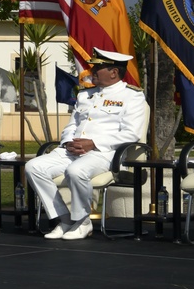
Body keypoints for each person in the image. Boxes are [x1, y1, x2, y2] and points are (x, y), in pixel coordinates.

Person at [26, 48, 147, 241]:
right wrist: (67, 143)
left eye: (98, 68)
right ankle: (64, 219)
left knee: (76, 171)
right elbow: (72, 124)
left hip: (105, 153)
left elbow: (131, 134)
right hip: (73, 150)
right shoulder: (85, 95)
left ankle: (83, 221)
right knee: (33, 166)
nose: (92, 72)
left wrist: (93, 143)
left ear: (114, 72)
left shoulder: (132, 96)